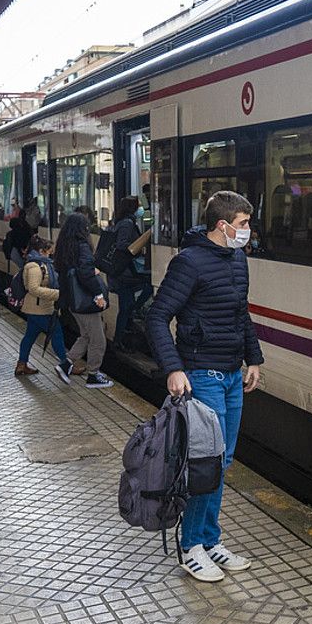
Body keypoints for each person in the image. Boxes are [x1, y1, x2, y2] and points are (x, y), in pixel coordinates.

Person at [146, 190, 264, 583]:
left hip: (231, 373)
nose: (248, 231)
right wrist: (174, 368)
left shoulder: (237, 260)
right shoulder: (189, 263)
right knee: (205, 464)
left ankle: (210, 540)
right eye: (244, 224)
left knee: (222, 461)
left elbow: (240, 313)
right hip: (202, 374)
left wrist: (254, 358)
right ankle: (192, 546)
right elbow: (158, 317)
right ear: (223, 225)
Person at [54, 212, 113, 388]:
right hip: (85, 301)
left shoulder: (65, 246)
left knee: (86, 335)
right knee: (98, 339)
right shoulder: (82, 246)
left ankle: (66, 364)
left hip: (73, 301)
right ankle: (93, 375)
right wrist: (99, 295)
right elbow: (86, 273)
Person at [15, 236, 74, 380]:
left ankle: (21, 364)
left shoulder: (42, 263)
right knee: (57, 333)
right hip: (39, 308)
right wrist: (58, 294)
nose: (50, 254)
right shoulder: (34, 266)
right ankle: (65, 364)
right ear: (41, 251)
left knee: (30, 336)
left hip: (38, 307)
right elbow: (33, 288)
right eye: (48, 252)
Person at [104, 196, 154, 346]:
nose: (140, 208)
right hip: (124, 273)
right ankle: (119, 340)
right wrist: (138, 249)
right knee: (128, 305)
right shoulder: (127, 223)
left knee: (126, 306)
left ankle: (122, 336)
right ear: (132, 208)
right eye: (138, 205)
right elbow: (122, 245)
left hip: (122, 273)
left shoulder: (123, 221)